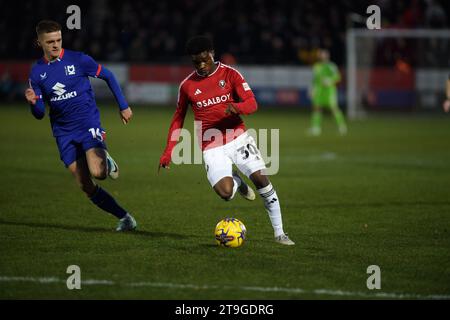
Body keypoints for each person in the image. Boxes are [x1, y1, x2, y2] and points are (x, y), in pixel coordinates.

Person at [158, 36, 294, 245]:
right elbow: (178, 118)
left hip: (238, 137)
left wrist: (237, 107)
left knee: (261, 179)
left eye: (204, 59)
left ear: (212, 53)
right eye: (196, 62)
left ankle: (280, 233)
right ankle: (236, 181)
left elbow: (252, 103)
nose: (201, 65)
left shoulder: (230, 74)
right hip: (210, 145)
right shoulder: (187, 86)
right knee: (225, 193)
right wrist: (168, 152)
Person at [24, 20, 137, 231]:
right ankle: (125, 218)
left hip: (87, 124)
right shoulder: (37, 73)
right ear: (39, 43)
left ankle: (107, 161)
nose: (56, 45)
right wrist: (33, 103)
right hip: (63, 133)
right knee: (86, 185)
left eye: (58, 40)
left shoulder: (78, 59)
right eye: (50, 42)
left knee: (99, 172)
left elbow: (108, 76)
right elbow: (40, 113)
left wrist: (123, 106)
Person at [309, 48, 347, 136]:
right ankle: (316, 128)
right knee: (316, 108)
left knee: (334, 108)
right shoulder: (316, 66)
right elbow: (314, 79)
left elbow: (338, 77)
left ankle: (342, 126)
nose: (321, 56)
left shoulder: (331, 66)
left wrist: (329, 80)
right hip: (319, 91)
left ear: (327, 55)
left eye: (323, 54)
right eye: (320, 54)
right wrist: (312, 89)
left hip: (329, 90)